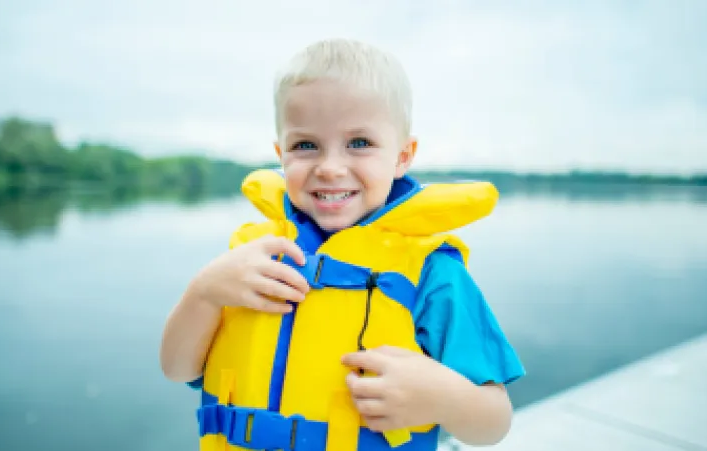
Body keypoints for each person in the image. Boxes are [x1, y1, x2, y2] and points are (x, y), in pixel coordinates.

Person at [160, 38, 525, 450]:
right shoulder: (253, 258)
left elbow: (494, 424)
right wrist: (203, 293)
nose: (330, 168)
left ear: (403, 156)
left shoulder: (433, 273)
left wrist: (445, 397)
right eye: (305, 145)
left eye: (359, 143)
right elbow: (176, 369)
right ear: (281, 155)